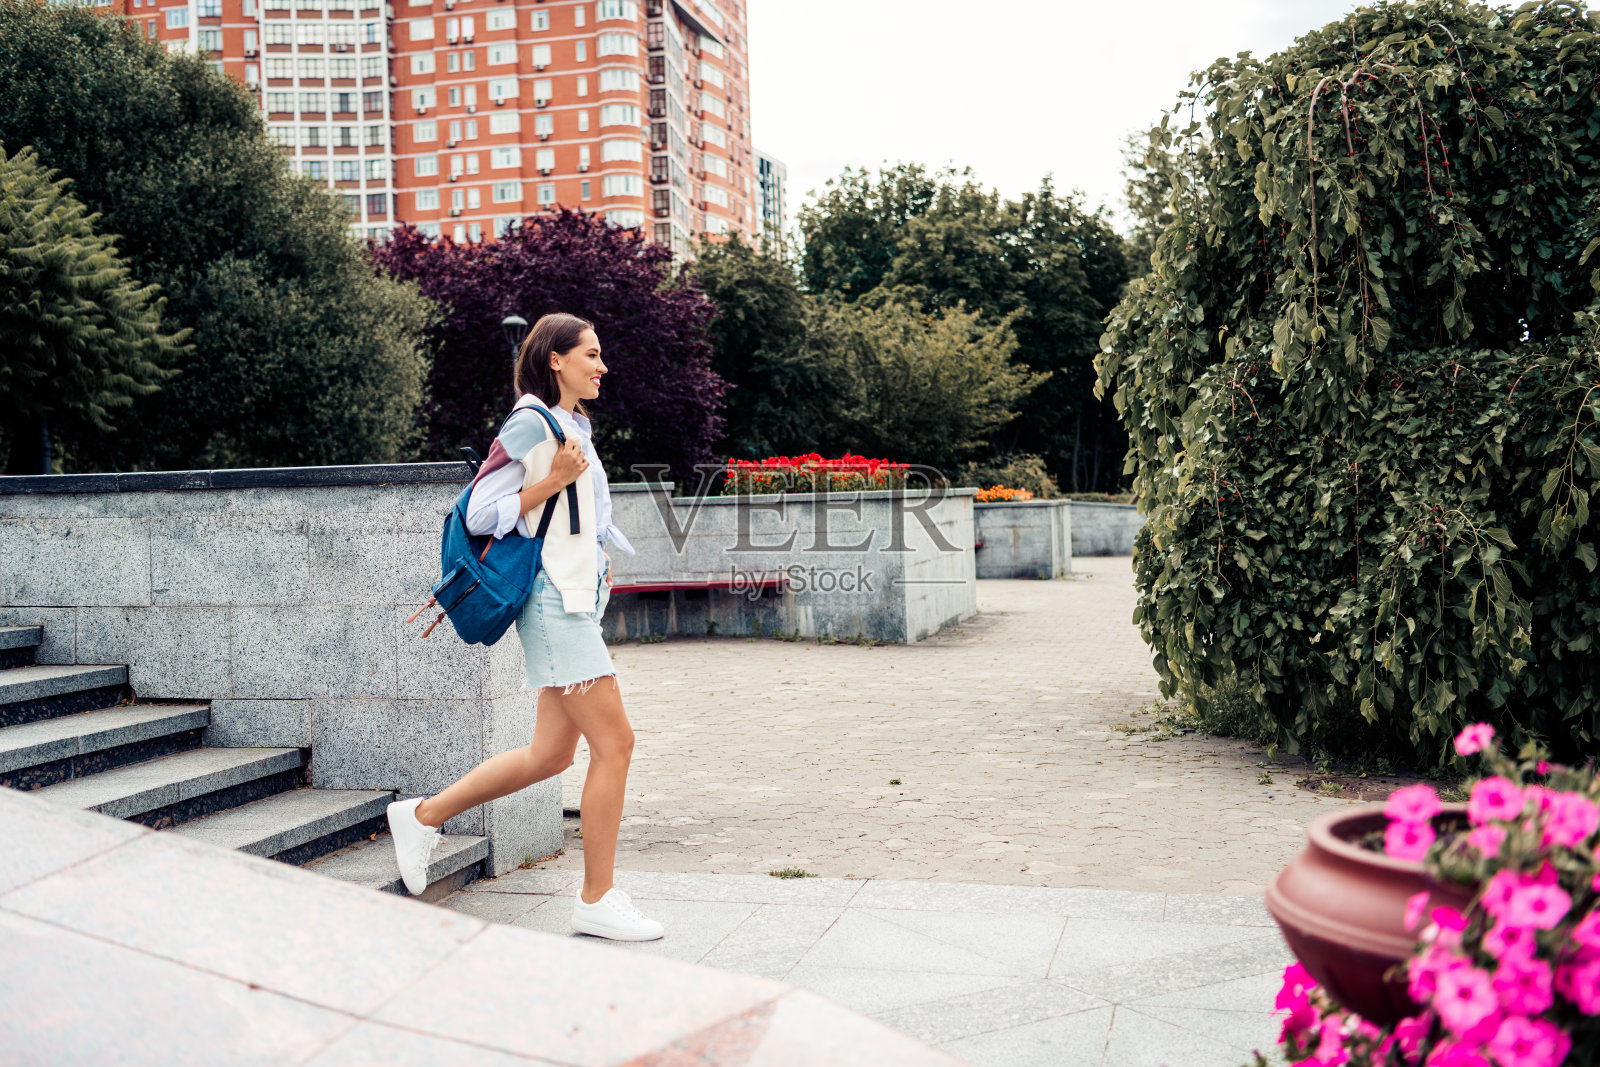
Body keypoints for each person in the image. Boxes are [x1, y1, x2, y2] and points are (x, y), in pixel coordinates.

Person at [386, 312, 663, 942]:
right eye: (590, 354)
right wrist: (555, 481)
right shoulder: (533, 422)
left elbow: (577, 517)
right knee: (616, 744)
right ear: (555, 359)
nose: (602, 365)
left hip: (577, 597)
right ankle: (596, 898)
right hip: (553, 605)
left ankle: (422, 817)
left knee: (552, 754)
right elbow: (480, 513)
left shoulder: (574, 424)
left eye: (601, 354)